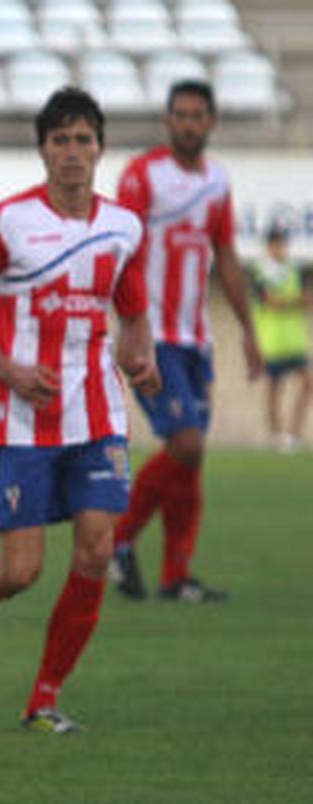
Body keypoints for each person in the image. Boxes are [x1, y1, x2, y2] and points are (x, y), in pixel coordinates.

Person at [0, 87, 161, 733]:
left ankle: (43, 701)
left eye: (83, 140)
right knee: (20, 573)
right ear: (42, 149)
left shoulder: (124, 227)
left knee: (95, 550)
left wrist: (142, 352)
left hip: (97, 415)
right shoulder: (5, 223)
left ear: (100, 148)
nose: (72, 151)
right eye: (60, 140)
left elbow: (132, 310)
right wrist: (9, 370)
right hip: (22, 422)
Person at [107, 79, 264, 603]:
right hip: (153, 337)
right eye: (181, 114)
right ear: (167, 120)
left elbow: (226, 256)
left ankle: (176, 575)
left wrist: (248, 330)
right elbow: (121, 250)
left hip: (196, 340)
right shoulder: (143, 175)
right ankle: (117, 539)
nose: (189, 123)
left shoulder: (217, 180)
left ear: (211, 121)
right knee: (187, 443)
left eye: (198, 115)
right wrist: (129, 328)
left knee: (191, 456)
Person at [246, 222, 310, 452]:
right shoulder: (259, 271)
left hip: (294, 342)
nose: (279, 248)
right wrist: (293, 301)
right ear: (268, 246)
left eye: (282, 244)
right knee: (274, 389)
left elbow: (306, 300)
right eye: (275, 244)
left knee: (308, 383)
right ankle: (276, 435)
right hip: (271, 343)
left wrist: (284, 301)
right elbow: (270, 302)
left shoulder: (296, 270)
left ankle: (293, 433)